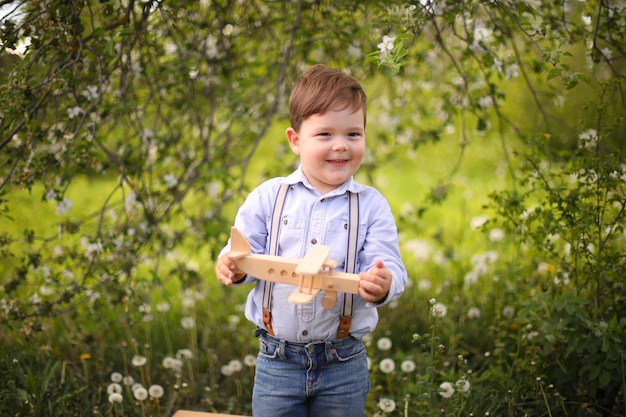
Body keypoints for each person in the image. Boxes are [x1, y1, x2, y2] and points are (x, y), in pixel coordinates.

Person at [215, 64, 407, 417]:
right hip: (278, 360)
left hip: (343, 361)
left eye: (353, 134)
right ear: (295, 140)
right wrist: (232, 265)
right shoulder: (269, 196)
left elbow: (390, 262)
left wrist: (384, 282)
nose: (340, 145)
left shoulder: (371, 205)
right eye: (325, 135)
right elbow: (243, 252)